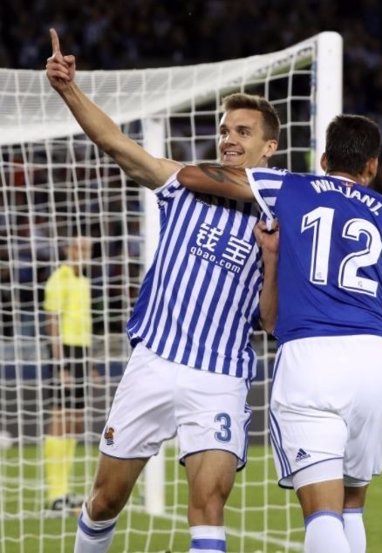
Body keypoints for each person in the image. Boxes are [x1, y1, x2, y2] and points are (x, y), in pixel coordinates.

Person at [46, 28, 280, 553]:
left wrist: (271, 255)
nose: (229, 139)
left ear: (270, 146)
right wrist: (69, 90)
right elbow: (116, 144)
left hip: (220, 374)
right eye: (224, 129)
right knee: (106, 500)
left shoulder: (284, 215)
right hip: (154, 362)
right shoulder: (184, 183)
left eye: (243, 131)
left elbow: (274, 322)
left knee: (209, 505)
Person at [177, 114, 382, 553]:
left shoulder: (290, 186)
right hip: (374, 358)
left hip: (312, 356)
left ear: (324, 158)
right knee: (352, 503)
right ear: (373, 167)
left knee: (322, 511)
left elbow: (195, 176)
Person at [43, 236, 93, 511]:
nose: (84, 254)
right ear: (68, 250)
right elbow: (53, 322)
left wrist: (91, 365)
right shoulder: (57, 279)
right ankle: (55, 493)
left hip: (82, 353)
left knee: (75, 421)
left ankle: (65, 490)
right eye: (80, 249)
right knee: (60, 418)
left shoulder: (83, 281)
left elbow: (82, 323)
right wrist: (60, 364)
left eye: (88, 250)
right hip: (64, 353)